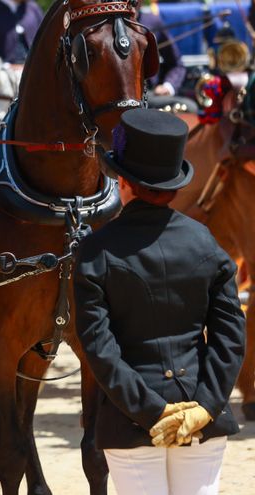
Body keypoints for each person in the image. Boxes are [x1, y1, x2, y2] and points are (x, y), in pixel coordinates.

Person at [75, 108, 246, 495]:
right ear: (174, 185)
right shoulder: (206, 242)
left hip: (130, 418)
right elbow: (230, 337)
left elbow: (100, 350)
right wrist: (205, 405)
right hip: (202, 413)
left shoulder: (95, 251)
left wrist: (152, 411)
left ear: (123, 182)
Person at [138, 11, 197, 112]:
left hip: (149, 94)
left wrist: (168, 86)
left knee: (189, 108)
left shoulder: (151, 21)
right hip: (117, 97)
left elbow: (176, 64)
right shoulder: (107, 21)